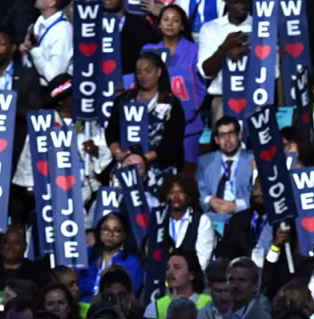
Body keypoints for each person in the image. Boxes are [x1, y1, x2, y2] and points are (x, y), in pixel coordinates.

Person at [106, 50, 187, 198]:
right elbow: (111, 132)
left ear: (159, 72)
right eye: (139, 72)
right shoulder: (124, 100)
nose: (142, 76)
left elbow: (173, 142)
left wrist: (143, 159)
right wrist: (120, 154)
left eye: (148, 71)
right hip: (125, 164)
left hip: (159, 168)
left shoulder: (171, 103)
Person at [143, 3, 205, 166]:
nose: (170, 24)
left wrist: (186, 113)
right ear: (159, 23)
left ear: (183, 25)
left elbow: (199, 86)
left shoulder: (194, 50)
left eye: (175, 20)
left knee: (188, 172)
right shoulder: (148, 50)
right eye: (166, 20)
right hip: (155, 124)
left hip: (188, 123)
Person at [195, 0, 250, 123]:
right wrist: (224, 49)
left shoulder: (261, 27)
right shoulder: (210, 29)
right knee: (224, 141)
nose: (241, 4)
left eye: (245, 1)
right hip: (222, 99)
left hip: (255, 98)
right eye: (236, 2)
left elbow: (272, 71)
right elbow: (206, 71)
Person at [196, 116, 253, 232]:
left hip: (243, 216)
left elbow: (259, 194)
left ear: (239, 135)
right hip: (212, 216)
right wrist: (209, 200)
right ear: (216, 140)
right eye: (222, 135)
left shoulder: (253, 160)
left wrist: (236, 206)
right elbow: (198, 190)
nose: (227, 139)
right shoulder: (205, 161)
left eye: (231, 134)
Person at [144, 248, 211, 319]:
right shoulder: (155, 307)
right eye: (167, 268)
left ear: (191, 275)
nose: (170, 272)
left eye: (177, 267)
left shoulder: (208, 303)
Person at [22, 0, 72, 87]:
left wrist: (34, 50)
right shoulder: (39, 23)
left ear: (51, 2)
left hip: (51, 95)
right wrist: (25, 51)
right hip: (33, 88)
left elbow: (54, 77)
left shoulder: (63, 31)